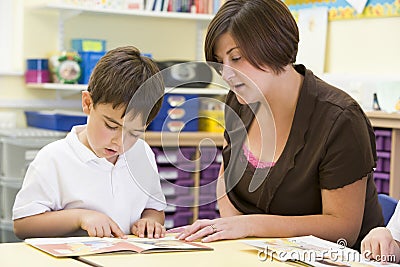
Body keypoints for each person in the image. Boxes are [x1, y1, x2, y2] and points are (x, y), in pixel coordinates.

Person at [171, 0, 383, 251]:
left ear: (274, 46)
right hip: (256, 253)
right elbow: (225, 181)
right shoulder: (239, 102)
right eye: (220, 61)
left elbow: (342, 229)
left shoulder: (340, 119)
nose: (226, 73)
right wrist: (235, 233)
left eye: (236, 58)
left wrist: (251, 227)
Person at [13, 46, 167, 239]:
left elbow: (154, 208)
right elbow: (23, 225)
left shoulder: (142, 153)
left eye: (134, 132)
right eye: (111, 126)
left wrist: (150, 221)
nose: (120, 143)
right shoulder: (54, 158)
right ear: (87, 103)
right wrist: (80, 217)